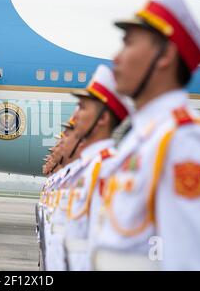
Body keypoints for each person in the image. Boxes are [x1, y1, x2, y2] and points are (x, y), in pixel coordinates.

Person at [93, 0, 200, 270]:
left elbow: (194, 262)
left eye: (128, 43)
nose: (116, 57)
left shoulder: (185, 139)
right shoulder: (143, 135)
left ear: (165, 55)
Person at [62, 65, 132, 271]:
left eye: (83, 107)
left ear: (102, 119)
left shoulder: (107, 166)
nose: (77, 114)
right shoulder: (91, 166)